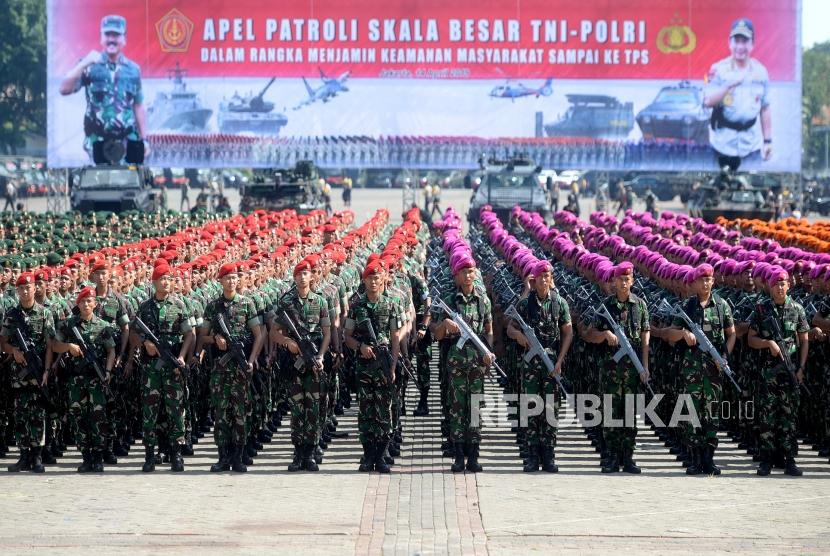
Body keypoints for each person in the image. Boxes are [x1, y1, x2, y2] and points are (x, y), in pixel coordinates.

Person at [662, 265, 736, 475]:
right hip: (692, 371)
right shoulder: (688, 306)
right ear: (694, 283)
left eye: (709, 279)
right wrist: (684, 334)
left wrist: (724, 357)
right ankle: (695, 459)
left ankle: (709, 459)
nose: (706, 283)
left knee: (711, 415)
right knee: (691, 415)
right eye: (702, 280)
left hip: (714, 370)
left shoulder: (722, 306)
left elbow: (731, 334)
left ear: (713, 281)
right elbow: (670, 335)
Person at [506, 260, 573, 473]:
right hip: (531, 366)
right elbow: (510, 329)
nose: (545, 280)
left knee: (551, 410)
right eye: (541, 277)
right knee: (532, 408)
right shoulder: (525, 304)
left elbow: (568, 332)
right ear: (534, 281)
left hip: (552, 363)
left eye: (548, 276)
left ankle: (549, 455)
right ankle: (532, 455)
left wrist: (560, 360)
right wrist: (520, 337)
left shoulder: (559, 303)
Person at [198, 263, 264, 473]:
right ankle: (222, 457)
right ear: (221, 281)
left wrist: (252, 361)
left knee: (240, 412)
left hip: (240, 368)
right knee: (221, 413)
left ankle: (238, 456)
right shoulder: (213, 306)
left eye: (234, 278)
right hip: (220, 368)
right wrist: (215, 338)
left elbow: (258, 336)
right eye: (227, 278)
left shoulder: (247, 304)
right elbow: (202, 336)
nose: (231, 281)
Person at [585, 262, 650, 474]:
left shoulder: (640, 305)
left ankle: (628, 457)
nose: (623, 283)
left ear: (632, 281)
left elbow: (645, 336)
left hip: (632, 370)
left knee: (630, 413)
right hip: (611, 370)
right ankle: (612, 457)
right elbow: (590, 335)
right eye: (620, 279)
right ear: (614, 281)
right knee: (611, 413)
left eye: (627, 279)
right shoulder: (606, 307)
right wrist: (604, 335)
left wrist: (644, 366)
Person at [431, 256, 494, 473]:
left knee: (475, 409)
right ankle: (458, 457)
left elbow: (488, 330)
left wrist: (488, 353)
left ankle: (474, 456)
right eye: (464, 272)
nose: (468, 276)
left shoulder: (483, 301)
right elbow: (436, 335)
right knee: (457, 410)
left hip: (477, 365)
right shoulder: (449, 301)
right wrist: (445, 325)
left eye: (471, 271)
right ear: (457, 275)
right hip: (457, 365)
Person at [59, 15, 148, 163]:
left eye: (116, 35)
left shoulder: (134, 69)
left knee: (130, 183)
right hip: (98, 140)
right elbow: (64, 89)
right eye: (107, 34)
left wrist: (145, 139)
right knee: (100, 182)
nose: (111, 39)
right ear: (101, 37)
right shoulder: (89, 65)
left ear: (124, 38)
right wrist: (84, 63)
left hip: (128, 140)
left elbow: (138, 105)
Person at [130, 265, 194, 473]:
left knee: (176, 411)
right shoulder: (145, 307)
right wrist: (144, 343)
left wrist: (182, 357)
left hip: (173, 366)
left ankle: (176, 454)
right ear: (154, 282)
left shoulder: (179, 305)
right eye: (161, 279)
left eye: (169, 278)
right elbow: (133, 333)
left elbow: (190, 335)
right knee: (150, 413)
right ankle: (149, 455)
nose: (166, 282)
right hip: (151, 369)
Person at [270, 258, 330, 472]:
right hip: (295, 364)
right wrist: (288, 343)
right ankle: (298, 452)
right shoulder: (286, 302)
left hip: (314, 362)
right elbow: (274, 332)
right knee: (297, 409)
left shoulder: (320, 302)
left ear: (312, 276)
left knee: (313, 408)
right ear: (294, 277)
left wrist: (321, 355)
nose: (303, 277)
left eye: (306, 273)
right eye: (299, 274)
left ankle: (310, 453)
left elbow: (327, 333)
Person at [747, 268, 809, 476]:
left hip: (790, 372)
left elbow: (804, 340)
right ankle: (766, 460)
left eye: (783, 284)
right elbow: (750, 339)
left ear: (788, 286)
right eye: (776, 284)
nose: (780, 287)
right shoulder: (762, 309)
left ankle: (789, 459)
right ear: (770, 287)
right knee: (767, 416)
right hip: (768, 373)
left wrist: (800, 367)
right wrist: (768, 343)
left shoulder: (797, 309)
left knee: (789, 417)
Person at [344, 260, 401, 473]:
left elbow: (395, 337)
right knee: (366, 412)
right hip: (365, 366)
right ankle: (368, 456)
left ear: (383, 279)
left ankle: (381, 455)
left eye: (377, 278)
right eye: (370, 278)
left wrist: (393, 365)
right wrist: (360, 347)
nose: (374, 281)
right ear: (364, 280)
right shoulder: (357, 307)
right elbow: (346, 336)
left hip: (384, 363)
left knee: (384, 411)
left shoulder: (391, 304)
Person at [51, 287, 116, 473]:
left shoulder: (103, 326)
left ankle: (98, 456)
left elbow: (111, 350)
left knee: (98, 417)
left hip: (96, 378)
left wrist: (108, 371)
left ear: (95, 304)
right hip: (76, 380)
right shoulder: (68, 325)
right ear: (78, 304)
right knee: (78, 417)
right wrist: (68, 346)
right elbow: (55, 345)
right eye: (82, 301)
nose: (86, 304)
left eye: (89, 301)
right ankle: (86, 456)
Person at [1, 272, 55, 473]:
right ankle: (24, 455)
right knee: (21, 415)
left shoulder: (44, 313)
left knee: (38, 415)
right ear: (17, 291)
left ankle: (37, 456)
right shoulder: (11, 314)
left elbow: (49, 345)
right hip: (18, 374)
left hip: (38, 370)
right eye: (21, 288)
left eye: (29, 287)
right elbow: (3, 341)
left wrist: (47, 370)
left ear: (35, 289)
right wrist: (13, 351)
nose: (25, 291)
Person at [703, 18, 771, 171]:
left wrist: (768, 141)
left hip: (751, 145)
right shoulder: (718, 70)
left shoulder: (761, 72)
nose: (740, 46)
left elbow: (765, 108)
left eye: (744, 41)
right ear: (730, 43)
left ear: (752, 44)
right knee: (719, 192)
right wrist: (728, 85)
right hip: (722, 145)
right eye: (737, 41)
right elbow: (707, 101)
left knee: (750, 190)